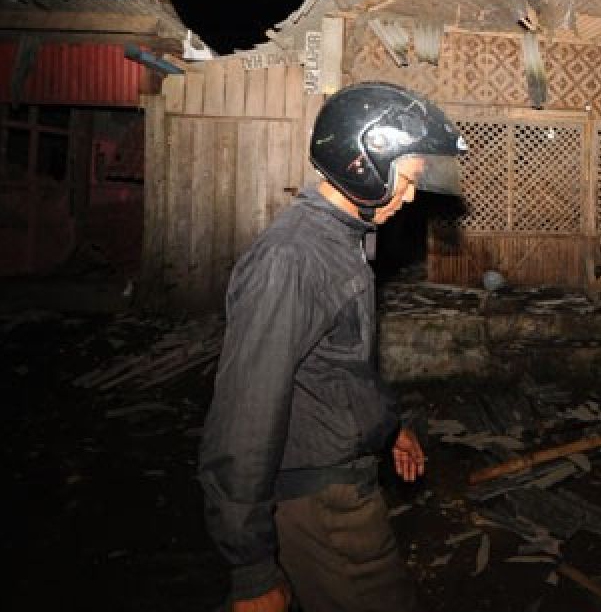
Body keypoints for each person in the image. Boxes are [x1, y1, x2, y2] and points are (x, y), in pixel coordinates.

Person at [198, 81, 468, 611]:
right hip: (320, 499)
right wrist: (251, 567)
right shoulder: (294, 259)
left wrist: (387, 426)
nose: (411, 196)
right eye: (408, 180)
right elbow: (245, 415)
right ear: (363, 165)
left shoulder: (342, 240)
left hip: (337, 474)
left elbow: (340, 368)